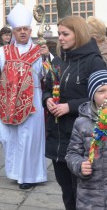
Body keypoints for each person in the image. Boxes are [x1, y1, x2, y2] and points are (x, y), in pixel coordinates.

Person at [0, 3, 49, 190]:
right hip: (7, 100)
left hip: (31, 99)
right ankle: (15, 172)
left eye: (26, 29)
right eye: (19, 29)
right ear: (14, 32)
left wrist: (47, 58)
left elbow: (49, 75)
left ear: (30, 30)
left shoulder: (39, 51)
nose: (23, 32)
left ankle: (30, 176)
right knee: (8, 138)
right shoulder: (3, 51)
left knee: (29, 138)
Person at [43, 15, 105, 209]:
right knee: (67, 192)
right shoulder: (59, 61)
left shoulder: (94, 62)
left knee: (83, 194)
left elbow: (101, 98)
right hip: (57, 138)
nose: (60, 38)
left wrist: (69, 107)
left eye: (65, 34)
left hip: (81, 140)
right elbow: (45, 87)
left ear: (78, 34)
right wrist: (47, 100)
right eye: (59, 33)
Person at [66, 70, 107, 210]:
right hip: (90, 196)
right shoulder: (81, 122)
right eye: (101, 91)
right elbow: (72, 153)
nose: (106, 95)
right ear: (92, 96)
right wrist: (79, 165)